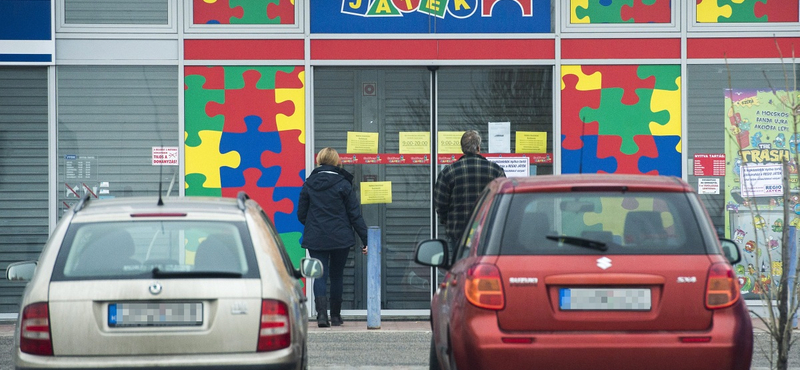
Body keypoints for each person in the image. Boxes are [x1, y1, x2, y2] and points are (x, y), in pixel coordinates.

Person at [298, 147, 368, 327]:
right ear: (336, 162)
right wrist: (366, 240)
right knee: (337, 276)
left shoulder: (309, 184)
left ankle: (322, 316)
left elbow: (301, 214)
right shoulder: (344, 184)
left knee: (319, 276)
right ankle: (336, 316)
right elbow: (355, 215)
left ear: (319, 160)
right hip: (340, 238)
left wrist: (315, 225)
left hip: (316, 238)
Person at [434, 130, 506, 258]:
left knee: (460, 270)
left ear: (462, 149)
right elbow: (503, 202)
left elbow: (440, 205)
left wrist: (448, 221)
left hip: (458, 234)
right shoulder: (495, 171)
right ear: (479, 147)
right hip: (488, 233)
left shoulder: (448, 172)